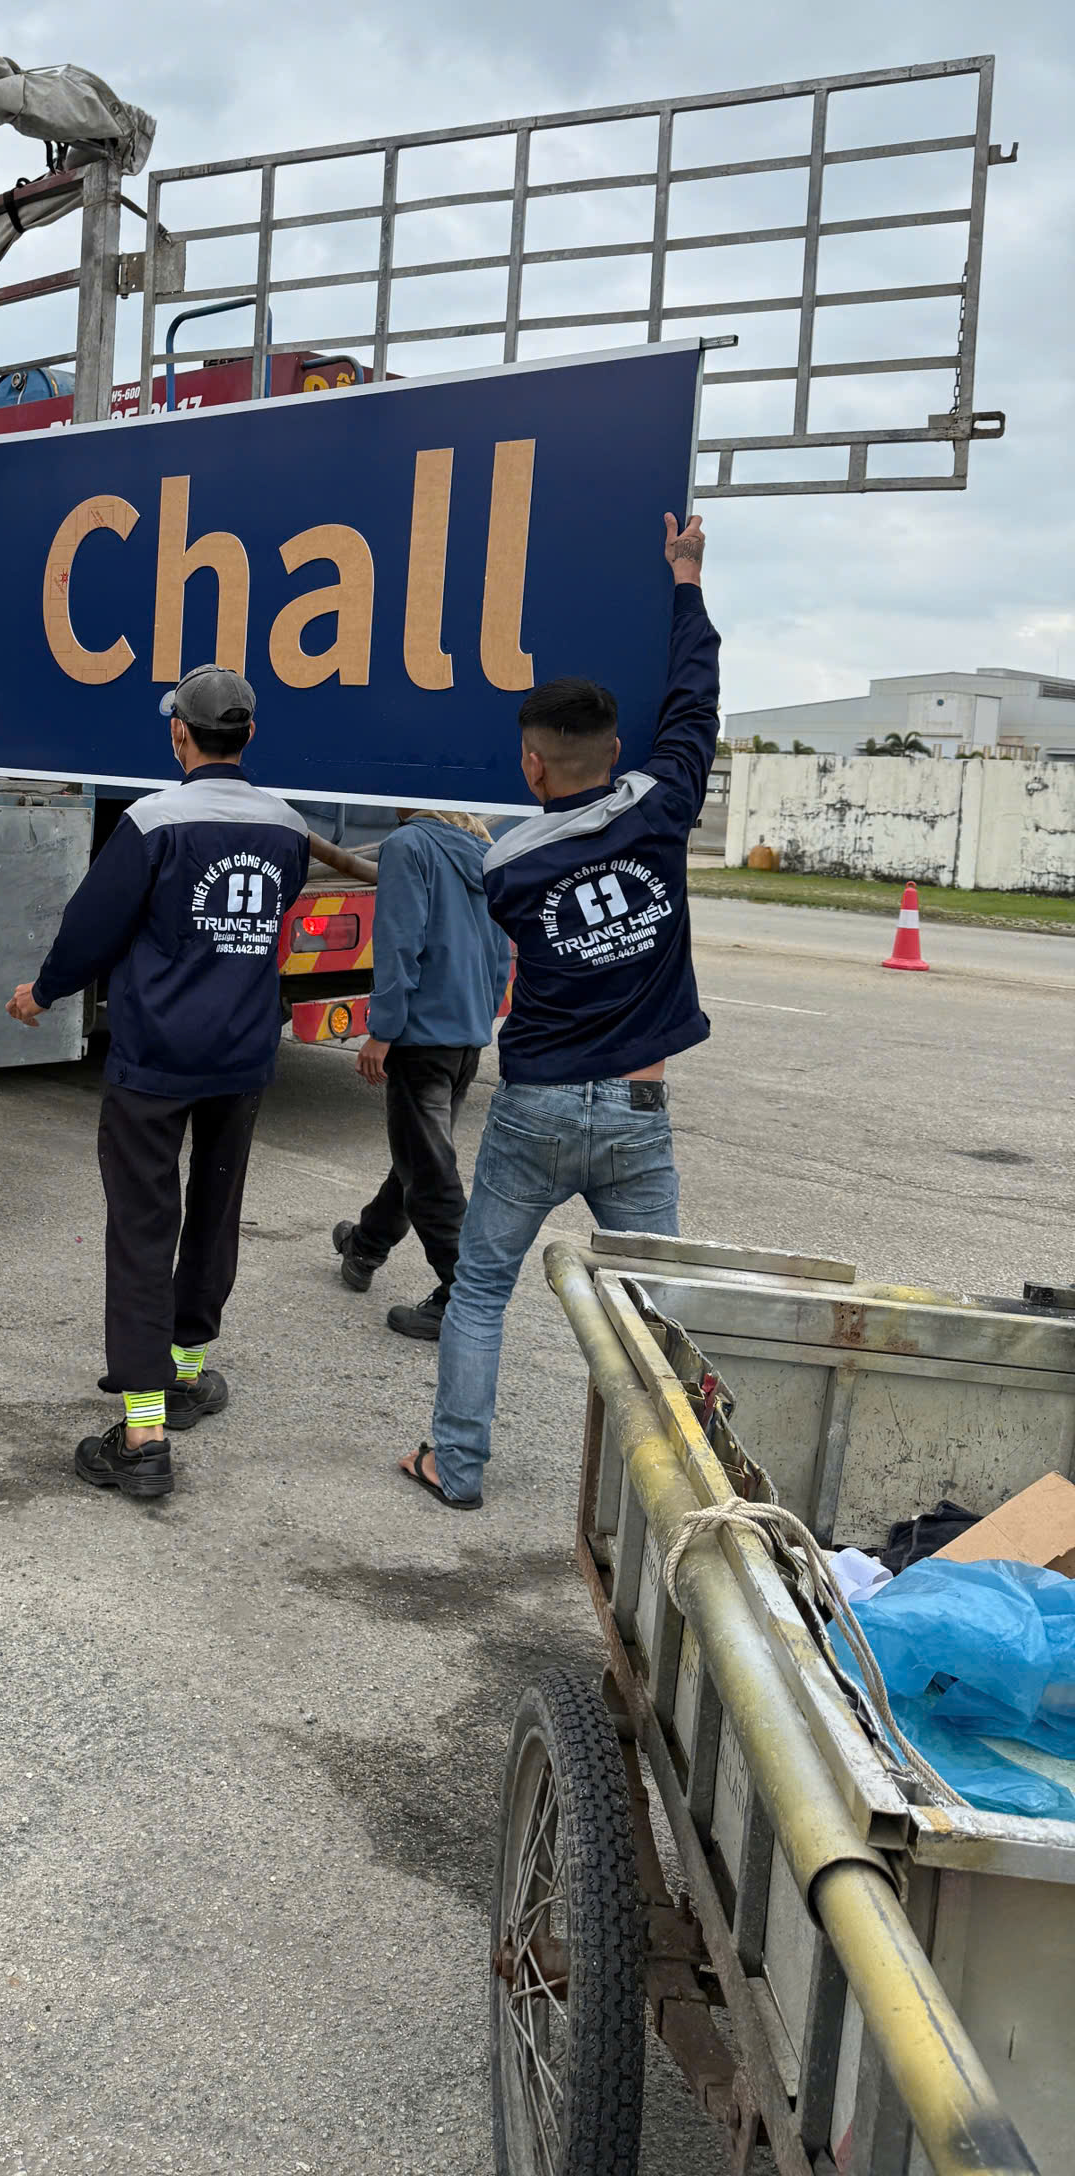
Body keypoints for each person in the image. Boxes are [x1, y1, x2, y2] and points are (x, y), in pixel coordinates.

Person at [400, 512, 716, 1510]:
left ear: (531, 767)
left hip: (535, 1105)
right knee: (654, 1313)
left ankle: (456, 1466)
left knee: (482, 1288)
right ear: (616, 749)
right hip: (637, 1109)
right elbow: (694, 704)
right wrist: (685, 581)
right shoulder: (663, 804)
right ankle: (675, 1500)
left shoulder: (506, 863)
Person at [7, 666, 311, 1501]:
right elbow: (270, 922)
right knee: (215, 1212)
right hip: (242, 1053)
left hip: (156, 1056)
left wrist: (44, 991)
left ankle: (143, 1435)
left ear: (180, 734)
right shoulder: (288, 828)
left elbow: (93, 928)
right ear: (250, 735)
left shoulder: (151, 822)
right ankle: (185, 1375)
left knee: (144, 1227)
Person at [330, 808, 508, 1337]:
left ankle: (462, 1297)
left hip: (421, 1036)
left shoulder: (409, 845)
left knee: (429, 1173)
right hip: (464, 1034)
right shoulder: (482, 852)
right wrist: (479, 1014)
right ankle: (366, 1245)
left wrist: (383, 1030)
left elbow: (398, 941)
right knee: (418, 1155)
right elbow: (500, 950)